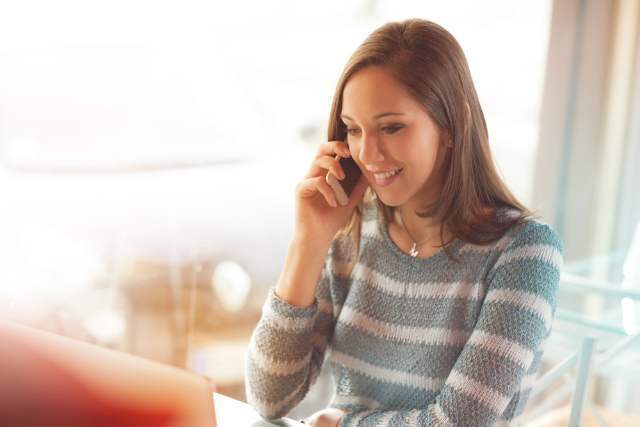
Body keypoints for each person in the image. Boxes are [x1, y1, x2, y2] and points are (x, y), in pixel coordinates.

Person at [244, 18, 563, 427]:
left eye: (391, 127)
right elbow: (269, 399)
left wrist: (342, 424)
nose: (368, 153)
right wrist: (309, 240)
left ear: (453, 125)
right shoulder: (354, 234)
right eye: (353, 130)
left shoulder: (526, 253)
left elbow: (459, 422)